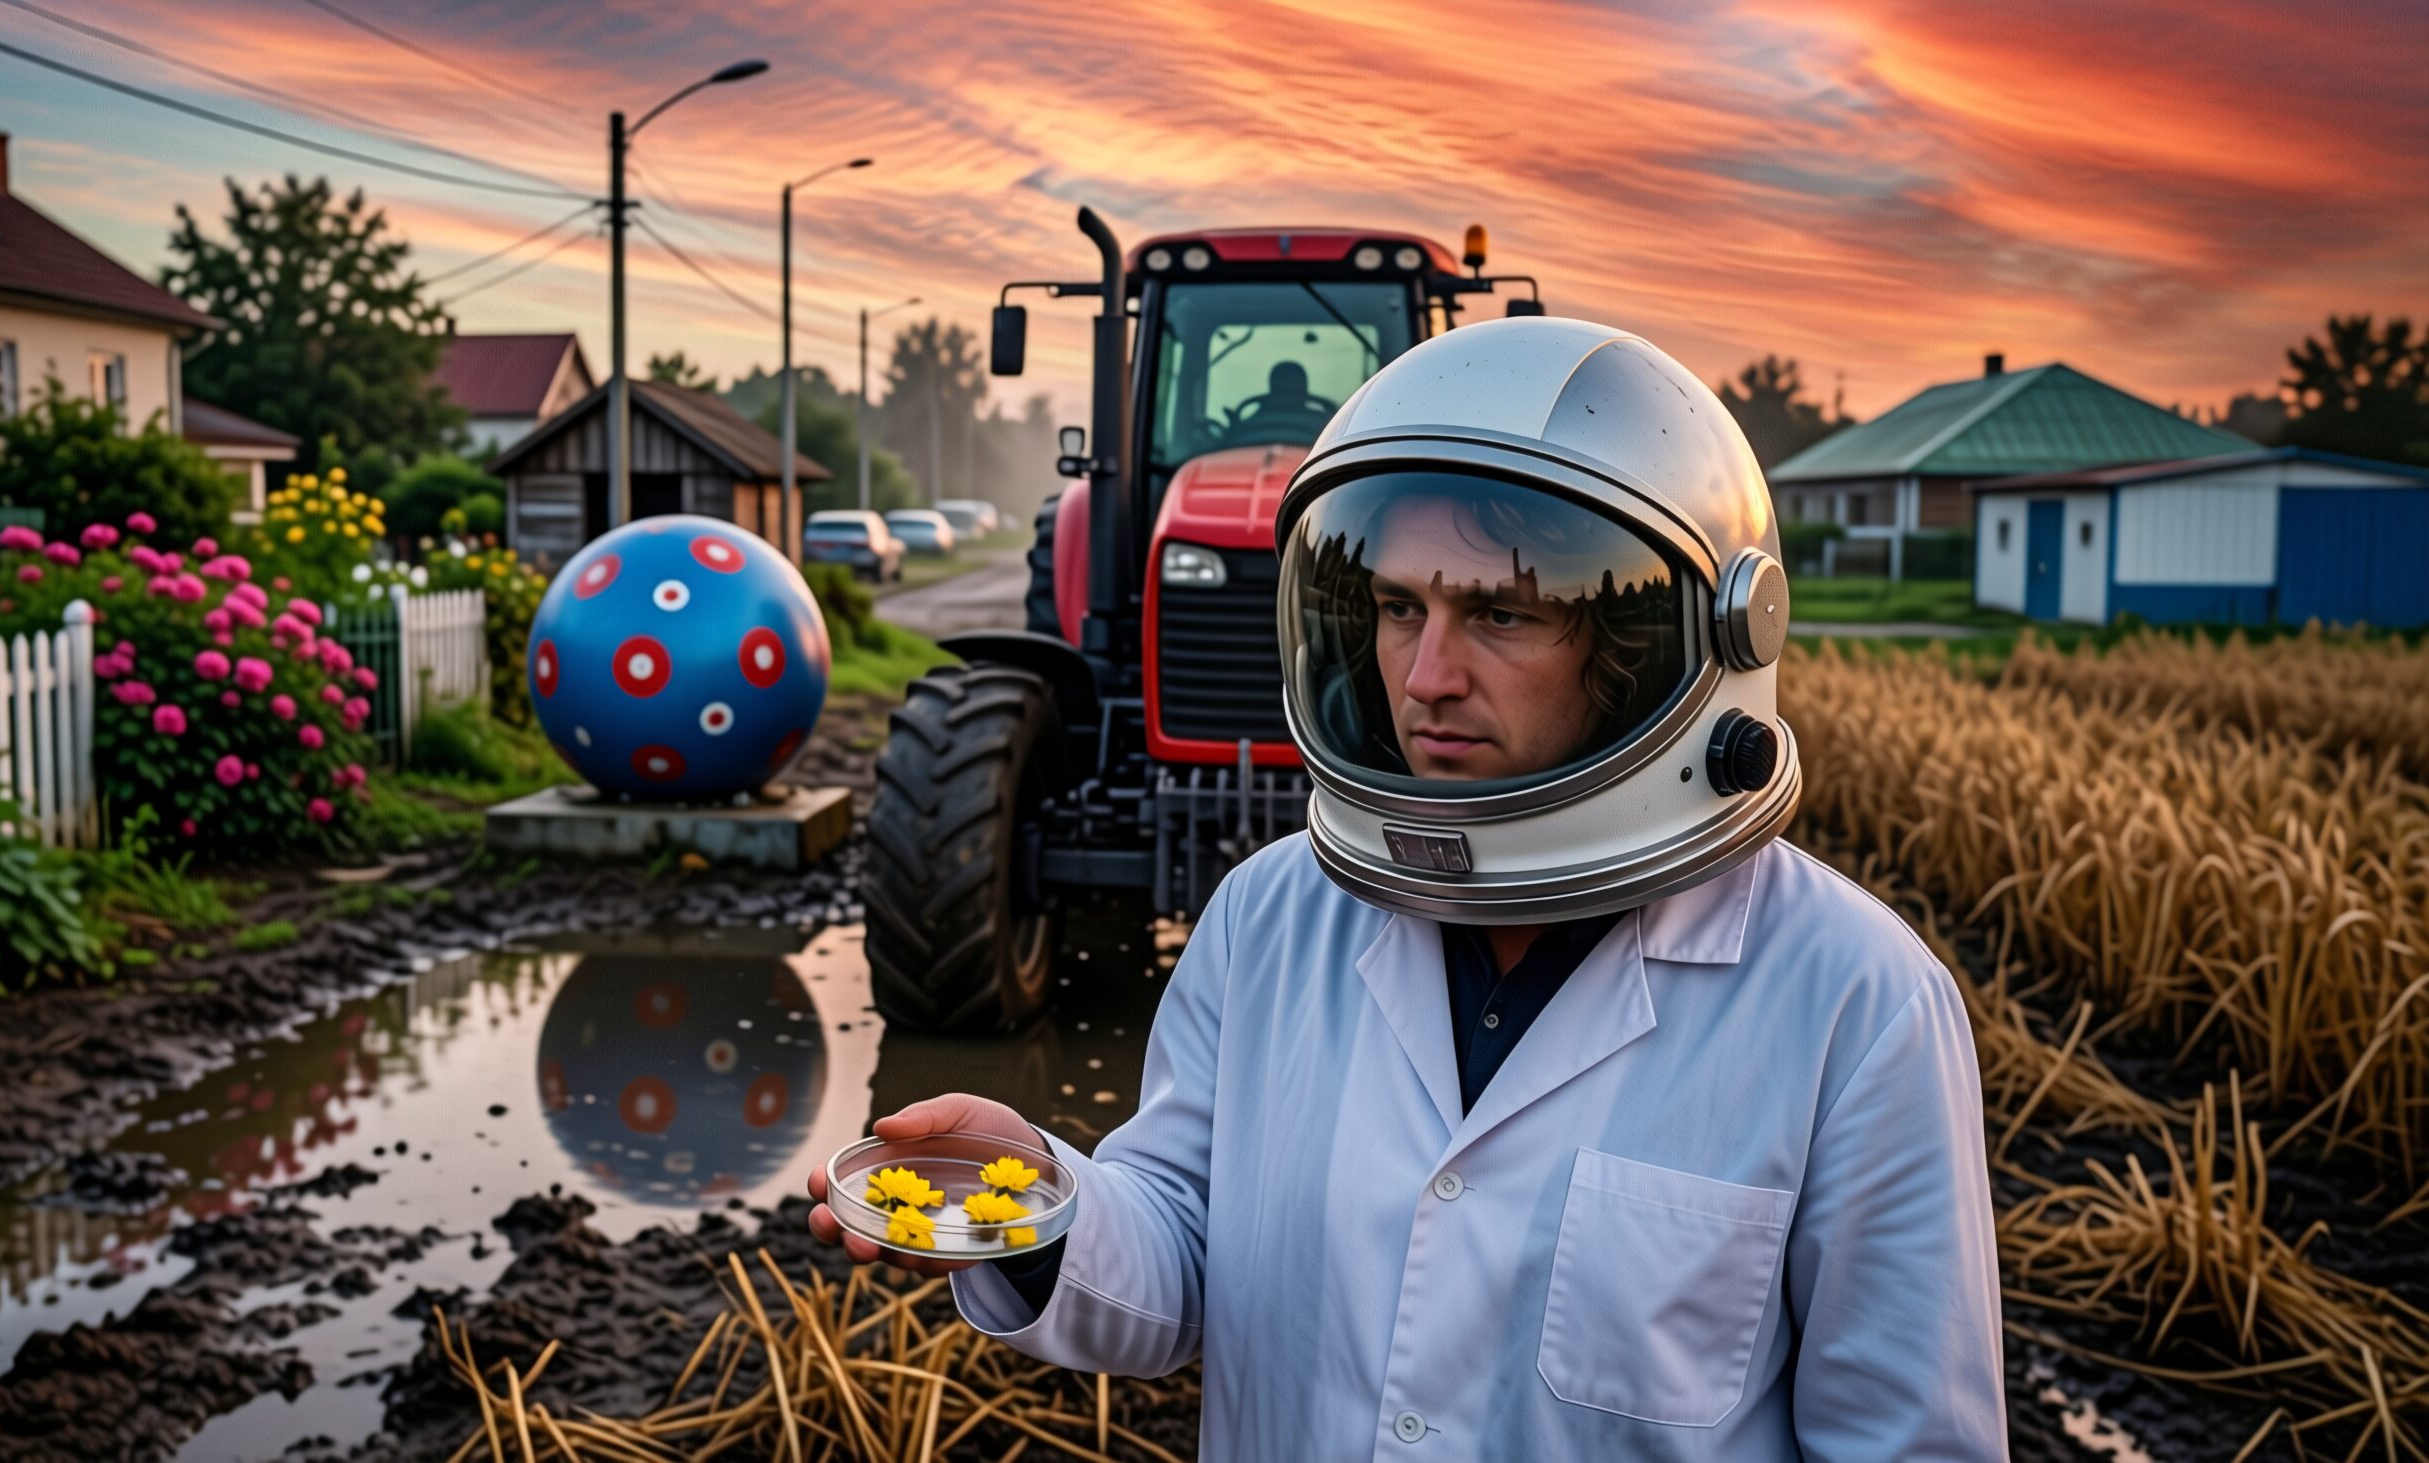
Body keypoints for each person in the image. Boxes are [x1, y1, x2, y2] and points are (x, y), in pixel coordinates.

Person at [809, 317, 2006, 1460]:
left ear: (1663, 646)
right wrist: (1037, 1201)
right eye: (1395, 607)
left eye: (1502, 611)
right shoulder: (1272, 914)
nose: (1425, 674)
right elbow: (1181, 1251)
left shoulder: (1855, 1004)